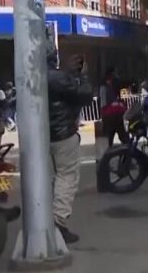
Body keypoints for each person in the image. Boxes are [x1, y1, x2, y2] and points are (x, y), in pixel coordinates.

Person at [48, 52, 94, 244]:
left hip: (41, 136)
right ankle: (58, 222)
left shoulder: (31, 74)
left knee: (50, 179)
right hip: (63, 134)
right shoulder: (57, 77)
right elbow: (84, 95)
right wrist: (82, 76)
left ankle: (46, 219)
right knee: (67, 177)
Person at [98, 67, 129, 146]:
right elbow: (104, 101)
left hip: (113, 114)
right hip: (113, 114)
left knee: (112, 136)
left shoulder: (110, 85)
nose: (115, 75)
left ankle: (126, 151)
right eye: (114, 73)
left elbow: (104, 101)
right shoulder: (107, 86)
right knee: (117, 136)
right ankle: (127, 151)